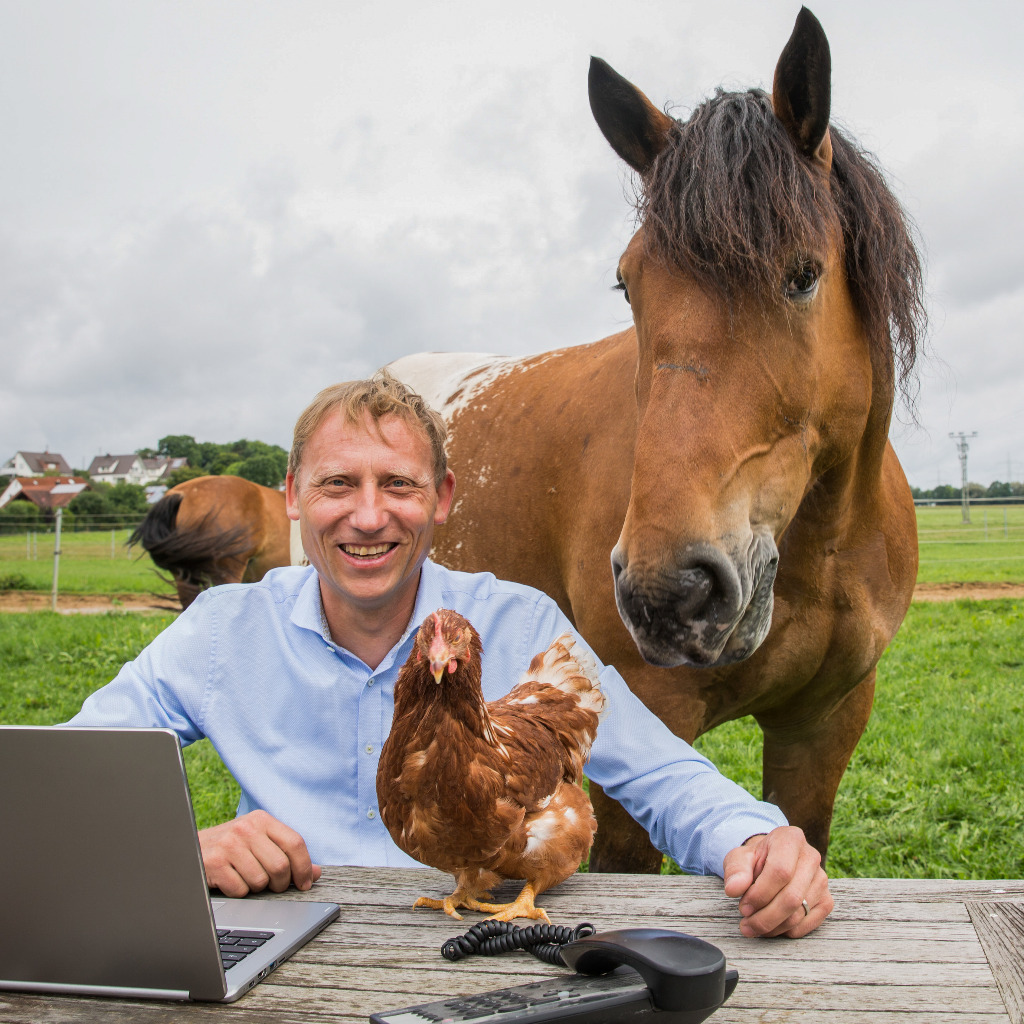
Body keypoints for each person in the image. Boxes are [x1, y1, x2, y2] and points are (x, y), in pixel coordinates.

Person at [69, 370, 833, 939]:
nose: (368, 516)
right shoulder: (222, 632)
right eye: (339, 484)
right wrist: (181, 848)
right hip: (283, 946)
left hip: (478, 945)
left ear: (441, 499)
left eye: (398, 484)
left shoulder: (515, 621)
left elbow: (658, 773)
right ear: (294, 496)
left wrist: (758, 839)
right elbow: (68, 776)